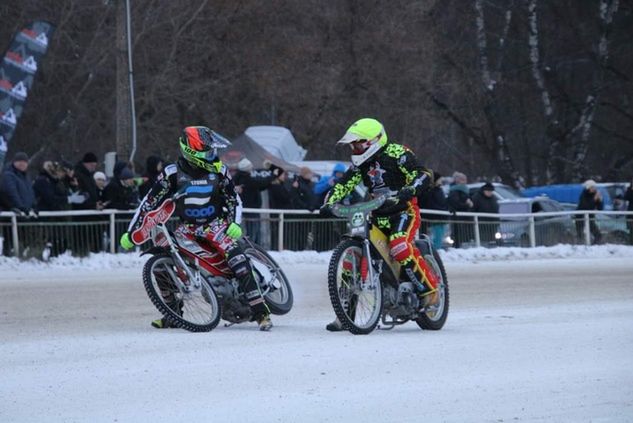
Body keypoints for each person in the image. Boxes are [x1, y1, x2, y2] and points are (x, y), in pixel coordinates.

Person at [119, 126, 273, 331]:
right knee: (161, 264)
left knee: (238, 260)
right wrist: (132, 232)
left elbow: (233, 198)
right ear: (190, 151)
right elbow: (149, 203)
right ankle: (173, 314)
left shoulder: (219, 170)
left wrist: (235, 222)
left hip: (216, 224)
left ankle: (261, 312)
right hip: (187, 229)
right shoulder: (171, 173)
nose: (213, 156)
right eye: (207, 151)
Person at [319, 118, 436, 332]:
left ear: (374, 141)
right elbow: (343, 184)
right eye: (352, 145)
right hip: (375, 213)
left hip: (403, 211)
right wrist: (329, 202)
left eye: (358, 144)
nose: (354, 149)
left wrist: (408, 191)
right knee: (351, 258)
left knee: (399, 244)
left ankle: (428, 290)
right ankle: (345, 313)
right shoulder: (360, 165)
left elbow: (424, 174)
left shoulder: (397, 153)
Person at [231, 157, 278, 244]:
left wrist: (268, 184)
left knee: (251, 232)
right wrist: (273, 176)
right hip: (251, 210)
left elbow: (258, 187)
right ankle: (251, 247)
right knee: (253, 233)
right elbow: (260, 183)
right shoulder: (247, 179)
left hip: (245, 209)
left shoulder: (237, 178)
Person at [419, 171, 448, 251]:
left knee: (440, 237)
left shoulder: (440, 190)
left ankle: (437, 250)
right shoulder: (430, 191)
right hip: (433, 218)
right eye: (439, 180)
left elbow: (443, 202)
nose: (441, 181)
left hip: (442, 217)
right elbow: (430, 204)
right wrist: (442, 210)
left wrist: (447, 209)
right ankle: (433, 251)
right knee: (435, 238)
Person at [0, 152, 36, 216]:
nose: (22, 164)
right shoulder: (8, 175)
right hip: (15, 213)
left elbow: (31, 193)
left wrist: (33, 206)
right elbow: (12, 192)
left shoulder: (26, 177)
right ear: (14, 162)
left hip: (26, 213)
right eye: (20, 161)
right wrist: (20, 207)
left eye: (25, 162)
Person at [447, 171, 474, 248]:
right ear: (458, 180)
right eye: (463, 179)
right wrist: (467, 204)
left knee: (464, 234)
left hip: (465, 217)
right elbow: (455, 203)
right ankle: (457, 247)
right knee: (458, 233)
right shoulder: (454, 191)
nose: (465, 181)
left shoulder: (465, 190)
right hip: (458, 216)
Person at [575, 179, 603, 244]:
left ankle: (594, 247)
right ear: (588, 187)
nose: (594, 189)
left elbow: (600, 208)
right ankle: (580, 247)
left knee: (598, 235)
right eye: (592, 187)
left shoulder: (595, 194)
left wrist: (600, 201)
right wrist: (594, 199)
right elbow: (585, 206)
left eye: (594, 187)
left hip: (590, 217)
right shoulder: (584, 194)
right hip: (580, 217)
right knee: (580, 235)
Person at [625, 179, 633, 245]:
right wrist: (631, 190)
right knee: (631, 230)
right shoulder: (629, 190)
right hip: (631, 213)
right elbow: (626, 197)